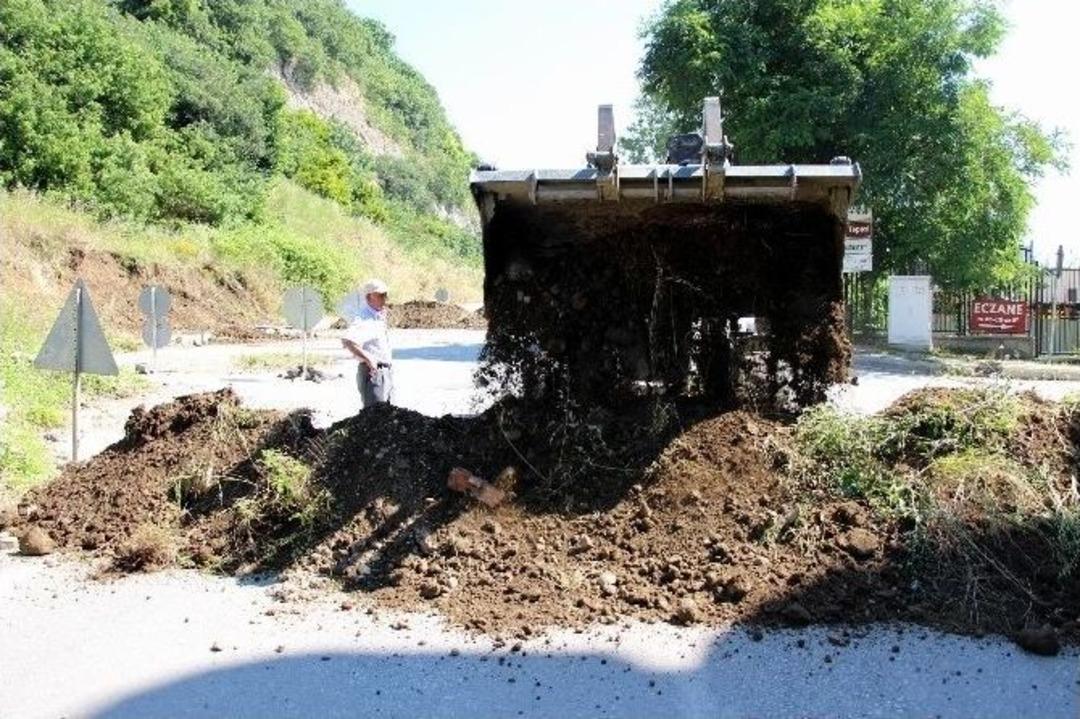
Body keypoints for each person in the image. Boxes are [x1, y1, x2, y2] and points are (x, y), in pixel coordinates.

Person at [342, 279, 392, 407]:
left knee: (386, 417)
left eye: (385, 295)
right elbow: (348, 340)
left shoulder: (377, 316)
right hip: (373, 373)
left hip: (384, 372)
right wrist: (368, 358)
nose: (384, 299)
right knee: (375, 417)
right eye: (380, 295)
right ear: (369, 297)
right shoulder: (364, 318)